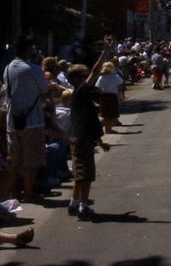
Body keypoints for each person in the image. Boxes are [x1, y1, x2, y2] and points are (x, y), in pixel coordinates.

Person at [67, 37, 113, 220]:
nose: (89, 78)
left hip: (81, 136)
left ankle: (74, 203)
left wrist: (100, 141)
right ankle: (83, 206)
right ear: (78, 78)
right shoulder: (80, 91)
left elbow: (91, 120)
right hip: (81, 138)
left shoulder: (81, 95)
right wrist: (105, 51)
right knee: (85, 175)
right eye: (84, 75)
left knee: (80, 173)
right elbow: (94, 71)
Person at [3, 36, 48, 203]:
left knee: (14, 160)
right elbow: (44, 91)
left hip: (12, 120)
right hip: (32, 120)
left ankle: (14, 193)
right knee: (31, 160)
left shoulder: (7, 68)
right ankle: (28, 193)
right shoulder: (34, 69)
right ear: (28, 49)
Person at [95, 62, 123, 134]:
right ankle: (108, 129)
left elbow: (97, 86)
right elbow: (120, 82)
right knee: (111, 113)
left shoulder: (101, 77)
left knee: (105, 113)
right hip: (112, 95)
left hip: (104, 96)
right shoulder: (115, 76)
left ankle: (106, 127)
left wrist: (102, 90)